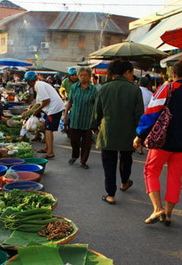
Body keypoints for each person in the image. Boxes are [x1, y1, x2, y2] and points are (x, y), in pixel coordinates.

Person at [134, 59, 182, 226]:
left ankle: (158, 209)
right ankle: (169, 214)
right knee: (174, 178)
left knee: (151, 171)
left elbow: (152, 112)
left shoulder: (168, 87)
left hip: (162, 141)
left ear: (174, 73)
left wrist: (140, 135)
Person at [92, 60, 144, 204]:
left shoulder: (104, 88)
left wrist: (95, 126)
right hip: (128, 133)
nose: (132, 76)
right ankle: (124, 182)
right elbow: (139, 114)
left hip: (108, 132)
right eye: (132, 73)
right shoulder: (135, 90)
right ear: (127, 72)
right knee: (126, 159)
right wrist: (140, 134)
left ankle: (110, 194)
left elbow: (97, 112)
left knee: (109, 163)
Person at [24, 71, 65, 159]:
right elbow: (38, 103)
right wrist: (29, 111)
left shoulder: (38, 85)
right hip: (53, 109)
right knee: (47, 129)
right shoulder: (39, 85)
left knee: (48, 130)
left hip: (54, 109)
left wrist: (36, 111)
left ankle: (50, 152)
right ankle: (47, 148)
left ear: (29, 81)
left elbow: (46, 100)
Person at [64, 67, 98, 169]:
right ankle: (75, 155)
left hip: (87, 121)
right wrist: (65, 114)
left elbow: (96, 106)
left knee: (86, 144)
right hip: (75, 119)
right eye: (81, 75)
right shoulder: (74, 87)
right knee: (74, 140)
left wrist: (97, 121)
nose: (83, 77)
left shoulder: (93, 90)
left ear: (89, 77)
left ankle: (83, 161)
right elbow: (70, 101)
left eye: (85, 75)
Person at [136, 77, 153, 155]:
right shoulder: (150, 94)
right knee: (143, 131)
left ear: (139, 83)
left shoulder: (135, 91)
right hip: (146, 113)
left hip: (136, 112)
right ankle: (140, 149)